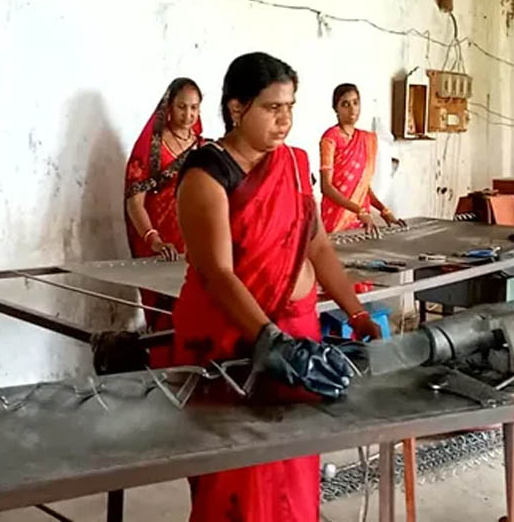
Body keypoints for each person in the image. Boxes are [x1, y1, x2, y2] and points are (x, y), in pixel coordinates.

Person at [172, 52, 382, 521]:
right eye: (272, 108)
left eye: (290, 107)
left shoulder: (293, 163)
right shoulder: (207, 174)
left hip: (296, 335)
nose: (285, 120)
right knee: (239, 477)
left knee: (295, 466)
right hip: (234, 344)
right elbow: (217, 273)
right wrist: (271, 340)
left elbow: (317, 245)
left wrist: (356, 312)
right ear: (237, 107)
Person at [123, 77, 204, 346]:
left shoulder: (203, 148)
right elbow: (135, 202)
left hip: (192, 243)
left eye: (194, 108)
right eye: (182, 107)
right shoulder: (152, 147)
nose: (188, 114)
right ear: (168, 107)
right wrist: (154, 239)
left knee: (192, 311)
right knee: (162, 318)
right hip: (159, 242)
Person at [319, 83, 406, 234]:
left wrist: (384, 210)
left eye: (355, 103)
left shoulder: (366, 139)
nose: (352, 109)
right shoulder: (330, 138)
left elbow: (363, 187)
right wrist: (358, 210)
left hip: (361, 220)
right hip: (336, 218)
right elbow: (326, 187)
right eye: (345, 104)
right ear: (336, 109)